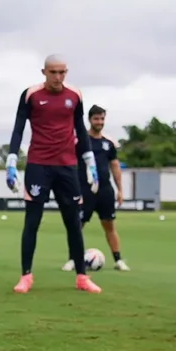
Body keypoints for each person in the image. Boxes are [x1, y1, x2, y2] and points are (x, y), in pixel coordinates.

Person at [5, 55, 102, 294]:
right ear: (44, 72)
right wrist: (11, 160)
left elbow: (79, 128)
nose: (58, 77)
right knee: (32, 223)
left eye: (62, 72)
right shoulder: (31, 95)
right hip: (38, 165)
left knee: (73, 224)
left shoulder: (75, 95)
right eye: (53, 72)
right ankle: (26, 276)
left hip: (68, 167)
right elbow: (18, 128)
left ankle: (82, 276)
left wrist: (90, 162)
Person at [62, 104, 130, 272]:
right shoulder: (80, 141)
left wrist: (120, 190)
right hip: (84, 190)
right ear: (90, 120)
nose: (99, 122)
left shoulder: (108, 144)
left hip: (105, 191)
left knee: (110, 226)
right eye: (96, 119)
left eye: (102, 119)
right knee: (78, 226)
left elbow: (115, 166)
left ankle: (118, 260)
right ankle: (72, 259)